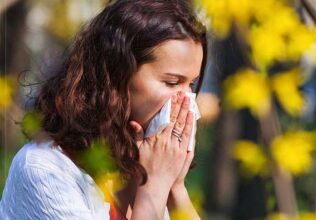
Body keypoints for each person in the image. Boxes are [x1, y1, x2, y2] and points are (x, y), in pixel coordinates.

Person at [0, 0, 207, 219]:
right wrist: (154, 185)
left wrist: (175, 188)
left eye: (191, 85)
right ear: (118, 75)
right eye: (172, 83)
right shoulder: (45, 169)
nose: (187, 101)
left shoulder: (144, 164)